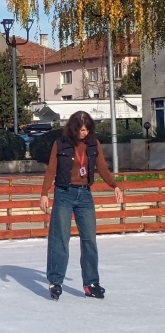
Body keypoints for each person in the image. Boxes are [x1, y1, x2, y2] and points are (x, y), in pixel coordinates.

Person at [39, 111, 123, 301]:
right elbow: (51, 169)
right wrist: (44, 193)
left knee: (89, 239)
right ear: (73, 128)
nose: (84, 133)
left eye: (87, 130)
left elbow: (102, 167)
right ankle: (55, 281)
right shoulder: (61, 144)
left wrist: (115, 186)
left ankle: (91, 283)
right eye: (81, 130)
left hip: (85, 195)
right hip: (64, 193)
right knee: (60, 238)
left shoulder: (94, 144)